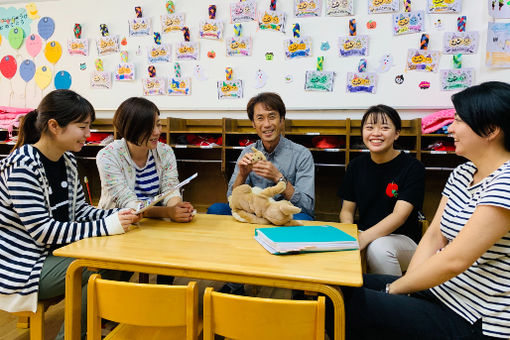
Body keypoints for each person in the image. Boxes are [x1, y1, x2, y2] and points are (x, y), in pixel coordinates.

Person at [334, 81, 510, 339]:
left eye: (459, 120)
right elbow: (434, 237)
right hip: (442, 292)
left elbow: (455, 260)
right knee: (332, 289)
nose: (450, 127)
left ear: (491, 129)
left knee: (344, 306)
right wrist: (408, 290)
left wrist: (394, 290)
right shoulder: (462, 173)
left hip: (476, 315)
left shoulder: (505, 181)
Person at [0, 89, 139, 340]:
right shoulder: (23, 165)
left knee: (118, 255)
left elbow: (79, 211)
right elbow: (43, 231)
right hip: (23, 266)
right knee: (94, 265)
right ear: (54, 126)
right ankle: (75, 334)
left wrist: (119, 214)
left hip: (52, 255)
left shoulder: (67, 161)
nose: (89, 134)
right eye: (82, 127)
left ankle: (93, 326)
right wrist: (108, 224)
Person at [96, 97, 194, 284]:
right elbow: (129, 204)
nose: (157, 132)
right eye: (150, 127)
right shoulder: (107, 156)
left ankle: (163, 294)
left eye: (158, 124)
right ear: (131, 128)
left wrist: (177, 207)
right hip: (121, 223)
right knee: (117, 278)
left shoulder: (165, 152)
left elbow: (171, 188)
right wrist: (168, 212)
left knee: (170, 254)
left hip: (156, 223)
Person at [338, 105, 425, 275]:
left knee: (378, 248)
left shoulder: (413, 167)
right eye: (369, 127)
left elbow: (399, 216)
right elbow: (346, 211)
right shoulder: (356, 166)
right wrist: (350, 237)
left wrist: (363, 239)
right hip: (363, 233)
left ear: (397, 133)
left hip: (401, 239)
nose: (376, 133)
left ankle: (395, 299)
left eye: (384, 128)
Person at [208, 92, 315, 221]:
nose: (267, 124)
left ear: (281, 120)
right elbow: (232, 199)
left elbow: (307, 206)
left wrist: (279, 178)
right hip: (254, 212)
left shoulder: (302, 154)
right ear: (253, 123)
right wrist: (242, 175)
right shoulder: (248, 152)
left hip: (282, 215)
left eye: (272, 116)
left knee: (305, 219)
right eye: (260, 118)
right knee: (216, 210)